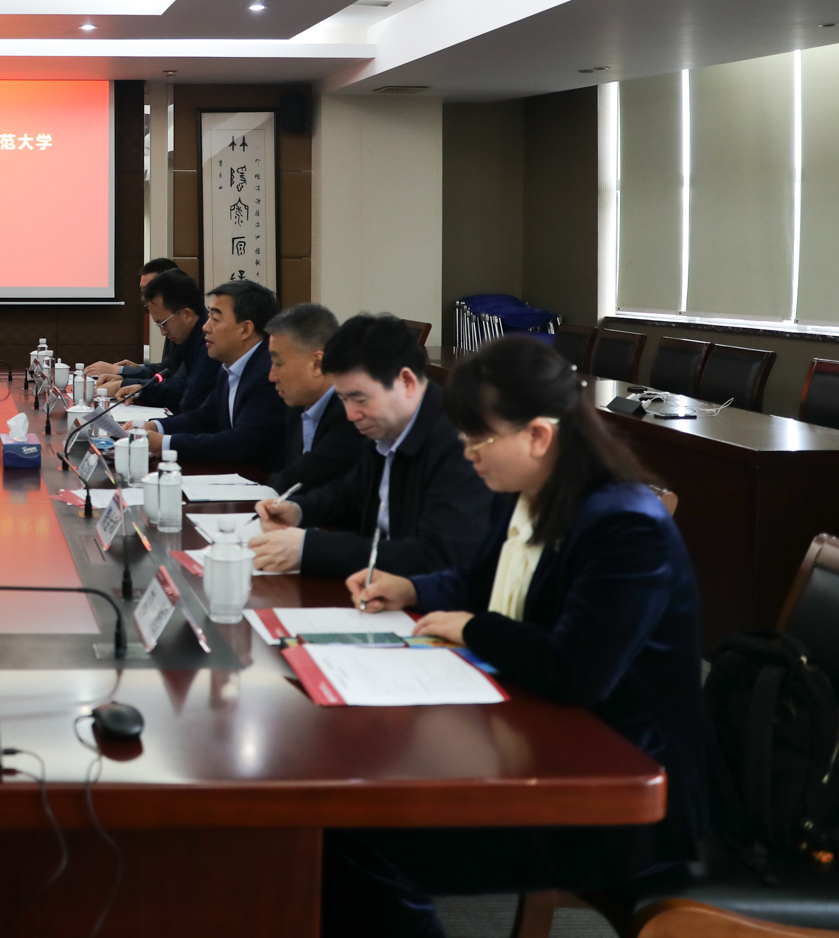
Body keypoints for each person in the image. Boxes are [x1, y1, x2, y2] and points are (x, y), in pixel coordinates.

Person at [323, 333, 711, 935]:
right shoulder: (527, 492)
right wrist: (412, 589)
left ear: (538, 435)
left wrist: (475, 628)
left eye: (479, 439)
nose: (468, 454)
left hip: (618, 791)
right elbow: (481, 583)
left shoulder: (626, 526)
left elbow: (575, 670)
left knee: (358, 841)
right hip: (536, 738)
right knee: (344, 816)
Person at [248, 313, 492, 578]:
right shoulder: (386, 424)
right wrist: (299, 510)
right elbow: (351, 492)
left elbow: (439, 556)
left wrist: (310, 548)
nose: (351, 414)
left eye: (360, 399)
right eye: (343, 399)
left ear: (406, 382)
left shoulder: (461, 443)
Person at [143, 279, 285, 467]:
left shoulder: (270, 373)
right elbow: (205, 418)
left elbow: (241, 443)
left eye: (215, 319)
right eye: (208, 317)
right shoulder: (229, 367)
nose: (205, 327)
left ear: (245, 329)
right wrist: (155, 426)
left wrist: (165, 443)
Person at [262, 303, 365, 493]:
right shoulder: (297, 403)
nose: (272, 376)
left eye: (279, 363)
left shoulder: (351, 413)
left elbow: (298, 480)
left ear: (317, 364)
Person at [108, 269, 213, 412]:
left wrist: (156, 425)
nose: (163, 332)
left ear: (187, 315)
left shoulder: (209, 342)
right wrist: (141, 389)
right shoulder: (190, 336)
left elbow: (189, 401)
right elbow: (178, 385)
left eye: (163, 324)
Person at [88, 257, 180, 379]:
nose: (144, 298)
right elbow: (168, 368)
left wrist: (119, 372)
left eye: (149, 291)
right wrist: (138, 368)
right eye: (143, 291)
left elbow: (173, 378)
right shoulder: (173, 321)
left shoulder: (186, 327)